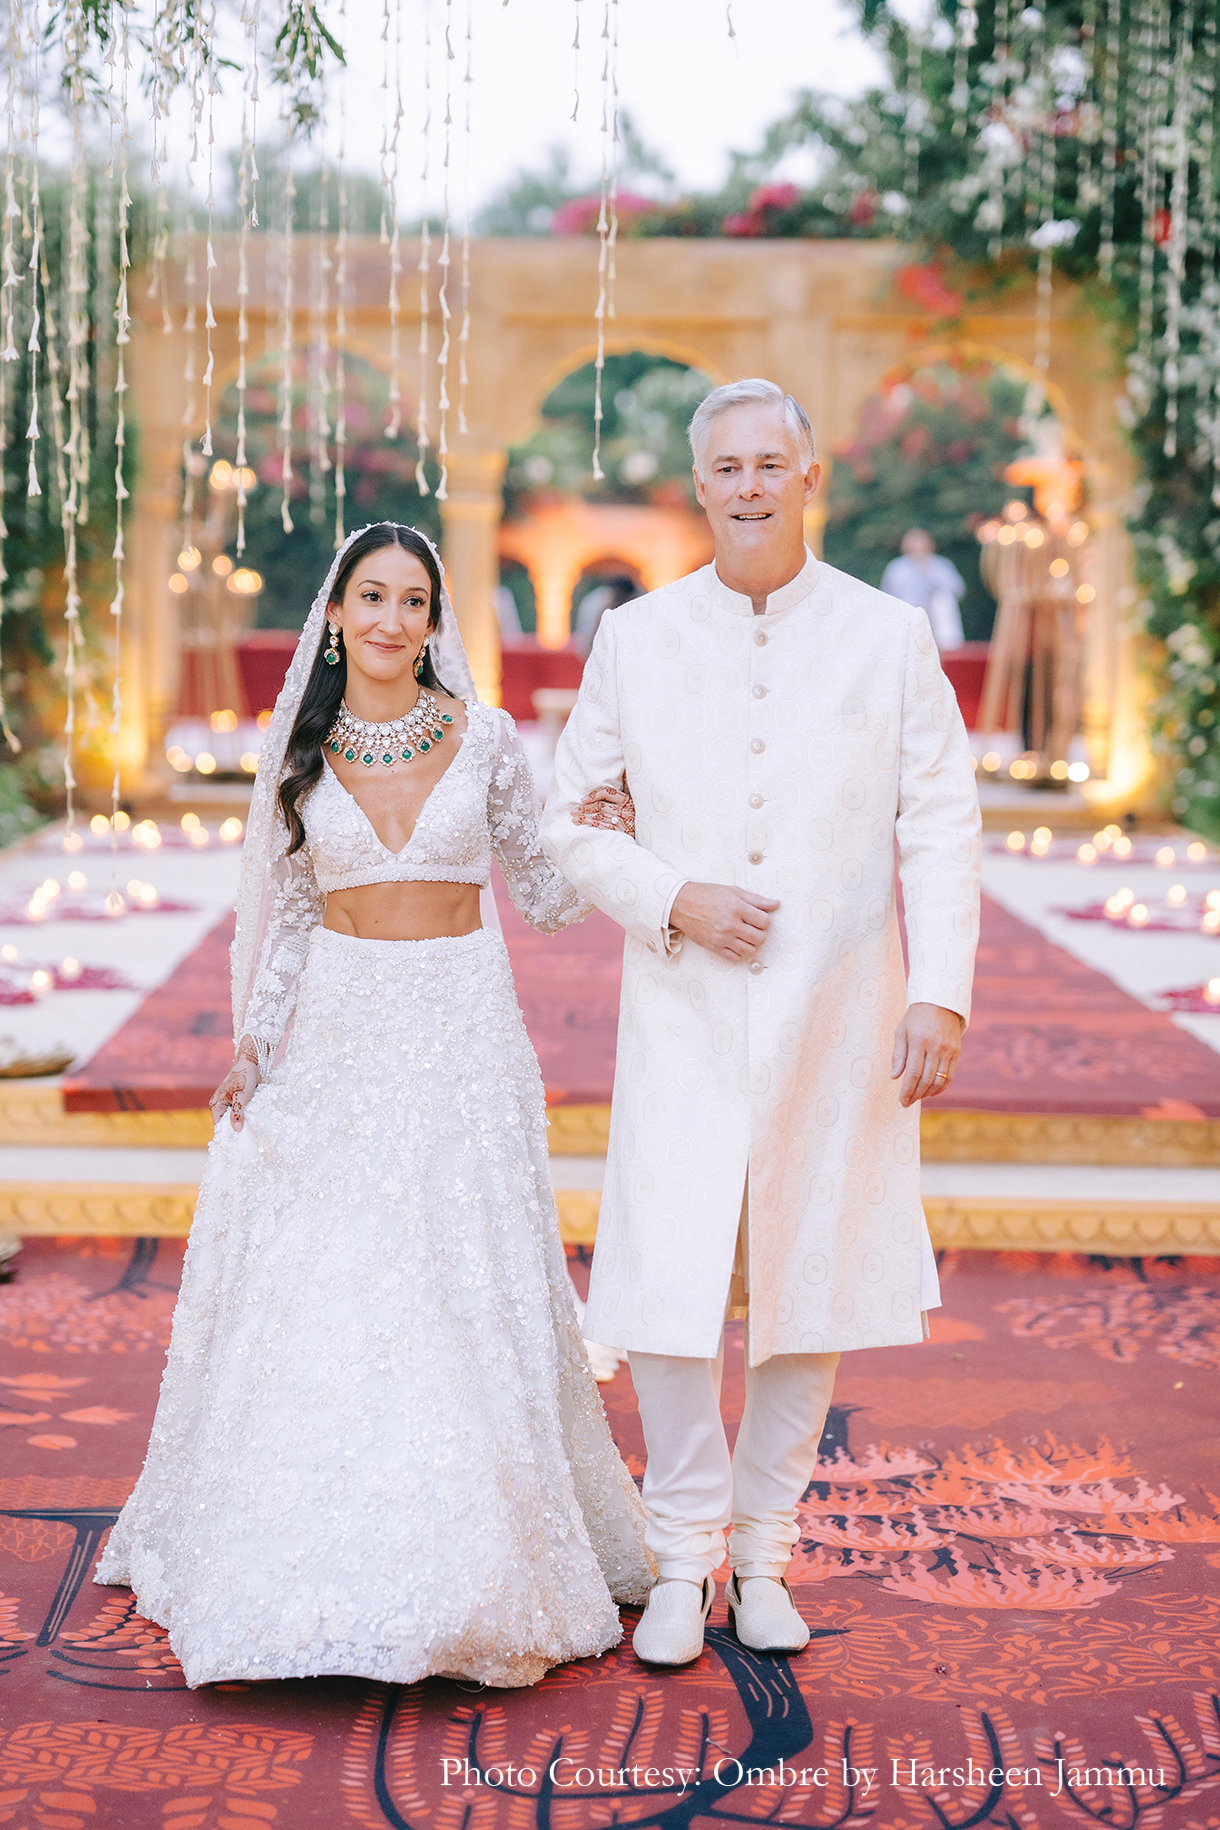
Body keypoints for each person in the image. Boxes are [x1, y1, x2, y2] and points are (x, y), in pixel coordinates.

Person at [95, 522, 654, 1689]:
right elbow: (290, 921)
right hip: (344, 1033)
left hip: (460, 1033)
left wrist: (608, 831)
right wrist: (256, 1043)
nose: (394, 620)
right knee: (341, 1281)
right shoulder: (294, 756)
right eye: (373, 597)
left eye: (414, 600)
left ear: (435, 619)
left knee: (461, 1276)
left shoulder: (487, 737)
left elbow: (545, 897)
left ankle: (479, 1559)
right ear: (337, 613)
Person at [541, 379, 981, 1668]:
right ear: (698, 485)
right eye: (723, 466)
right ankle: (679, 1565)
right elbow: (571, 826)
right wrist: (673, 895)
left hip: (837, 1007)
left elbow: (940, 823)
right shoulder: (635, 637)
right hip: (679, 1002)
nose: (746, 486)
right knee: (668, 1283)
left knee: (810, 1283)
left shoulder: (887, 635)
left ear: (806, 477)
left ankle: (764, 1555)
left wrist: (936, 989)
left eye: (767, 464)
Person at [880, 527, 967, 651]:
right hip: (907, 616)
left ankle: (949, 645)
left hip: (937, 620)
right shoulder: (897, 568)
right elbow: (887, 594)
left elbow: (958, 589)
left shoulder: (941, 565)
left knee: (944, 598)